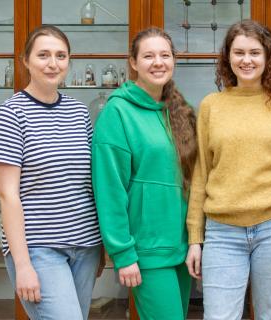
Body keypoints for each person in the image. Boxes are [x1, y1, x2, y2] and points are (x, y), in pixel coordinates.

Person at [184, 19, 271, 320]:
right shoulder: (211, 106)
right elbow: (201, 174)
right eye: (239, 52)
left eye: (254, 52)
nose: (246, 60)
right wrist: (195, 238)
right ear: (227, 57)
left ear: (267, 57)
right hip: (222, 230)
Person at [0, 25, 102, 320]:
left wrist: (103, 245)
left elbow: (90, 184)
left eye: (61, 55)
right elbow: (7, 195)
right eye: (43, 55)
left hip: (86, 246)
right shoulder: (11, 114)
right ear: (25, 61)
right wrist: (22, 265)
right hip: (39, 249)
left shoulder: (79, 112)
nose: (53, 63)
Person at [91, 27, 197, 319]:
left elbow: (192, 180)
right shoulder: (118, 113)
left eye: (165, 55)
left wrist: (196, 240)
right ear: (133, 63)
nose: (158, 62)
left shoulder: (180, 110)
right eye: (148, 56)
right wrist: (123, 254)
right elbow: (110, 189)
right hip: (147, 251)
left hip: (182, 245)